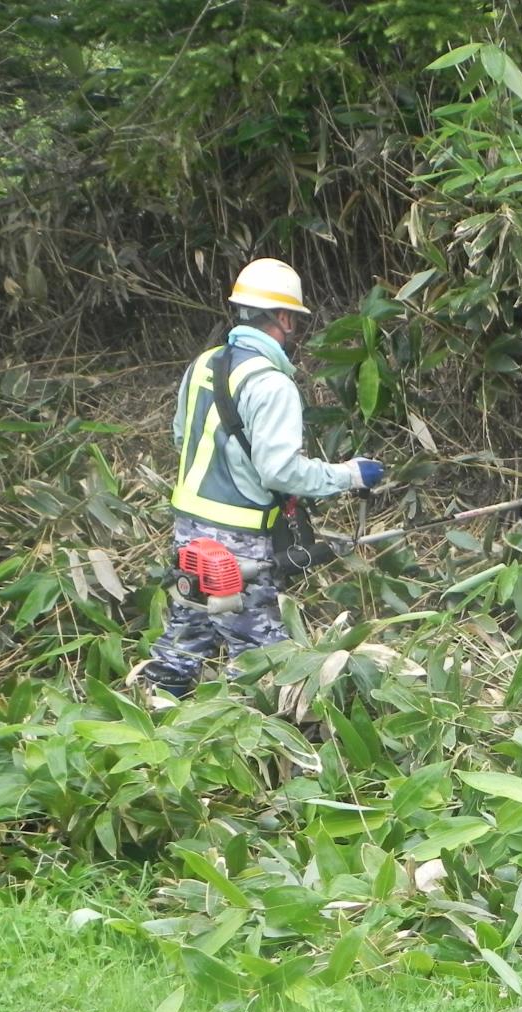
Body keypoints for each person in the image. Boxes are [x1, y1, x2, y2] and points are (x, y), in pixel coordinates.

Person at [138, 258, 383, 700]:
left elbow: (181, 436)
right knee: (262, 656)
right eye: (295, 321)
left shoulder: (204, 364)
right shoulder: (271, 384)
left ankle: (152, 713)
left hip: (188, 527)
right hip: (237, 538)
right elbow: (281, 471)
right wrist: (349, 475)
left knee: (184, 639)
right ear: (285, 318)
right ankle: (260, 741)